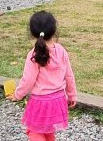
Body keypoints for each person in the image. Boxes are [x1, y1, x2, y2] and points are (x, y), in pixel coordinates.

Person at [8, 11, 78, 141]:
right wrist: (72, 95)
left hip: (40, 103)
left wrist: (17, 95)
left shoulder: (34, 55)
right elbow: (69, 75)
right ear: (54, 30)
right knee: (48, 131)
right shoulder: (61, 51)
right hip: (58, 101)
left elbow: (28, 81)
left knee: (34, 131)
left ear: (32, 32)